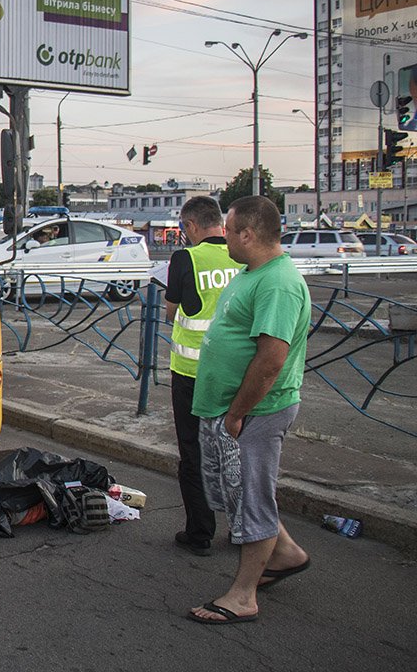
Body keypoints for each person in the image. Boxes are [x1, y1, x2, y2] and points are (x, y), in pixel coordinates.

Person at [187, 195, 312, 626]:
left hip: (257, 411)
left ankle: (243, 596)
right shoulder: (252, 272)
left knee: (253, 500)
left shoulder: (278, 283)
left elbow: (271, 359)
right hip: (232, 409)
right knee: (243, 495)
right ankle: (287, 553)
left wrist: (238, 413)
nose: (223, 236)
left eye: (229, 229)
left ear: (247, 234)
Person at [165, 196, 243, 557]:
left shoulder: (185, 258)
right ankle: (244, 530)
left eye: (184, 229)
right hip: (238, 372)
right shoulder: (242, 256)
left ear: (192, 226)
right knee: (237, 451)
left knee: (194, 453)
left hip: (192, 373)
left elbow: (171, 313)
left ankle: (200, 532)